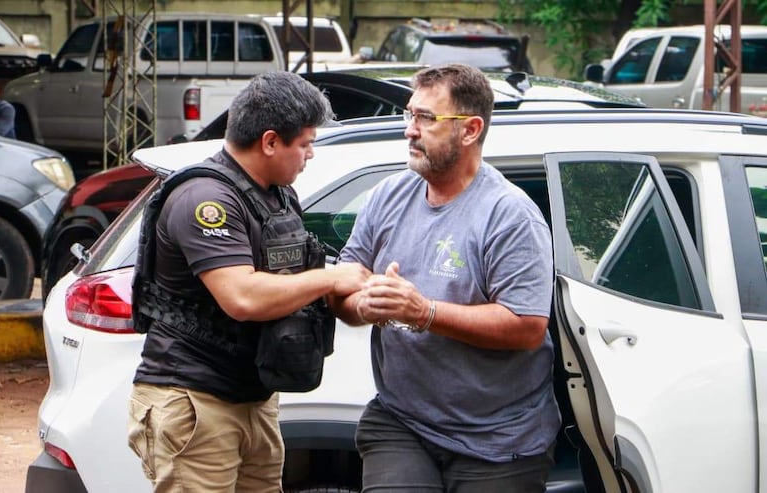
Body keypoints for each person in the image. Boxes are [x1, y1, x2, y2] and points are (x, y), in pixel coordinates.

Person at [126, 71, 370, 493]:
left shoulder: (275, 195)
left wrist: (357, 292)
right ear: (271, 141)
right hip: (196, 399)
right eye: (306, 143)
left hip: (253, 396)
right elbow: (242, 297)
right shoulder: (207, 200)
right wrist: (330, 277)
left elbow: (295, 284)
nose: (310, 154)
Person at [328, 63, 560, 492]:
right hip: (402, 421)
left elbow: (527, 327)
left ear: (470, 130)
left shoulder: (509, 215)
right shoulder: (388, 196)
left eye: (425, 118)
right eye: (409, 115)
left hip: (497, 440)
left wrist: (424, 312)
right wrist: (362, 304)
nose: (409, 130)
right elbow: (344, 283)